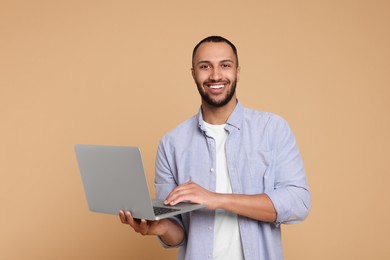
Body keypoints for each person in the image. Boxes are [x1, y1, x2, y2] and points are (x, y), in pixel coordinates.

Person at [119, 36, 311, 260]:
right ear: (193, 73)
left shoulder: (272, 129)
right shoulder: (171, 143)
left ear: (237, 71)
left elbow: (298, 203)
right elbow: (177, 232)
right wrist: (160, 228)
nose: (216, 75)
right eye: (205, 66)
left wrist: (216, 199)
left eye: (225, 65)